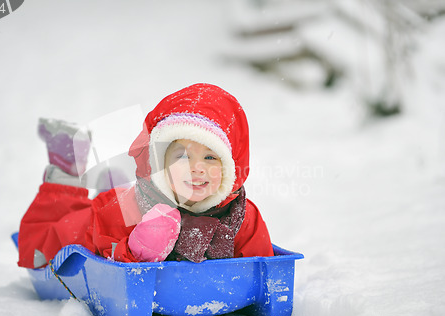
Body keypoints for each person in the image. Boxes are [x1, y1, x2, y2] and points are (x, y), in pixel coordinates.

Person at [17, 83, 274, 268]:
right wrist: (134, 251)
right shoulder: (132, 206)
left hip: (119, 198)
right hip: (108, 211)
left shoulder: (240, 216)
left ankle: (113, 183)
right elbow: (92, 253)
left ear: (230, 166)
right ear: (160, 163)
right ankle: (67, 169)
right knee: (42, 247)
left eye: (210, 157)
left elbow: (265, 267)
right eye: (182, 156)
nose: (197, 168)